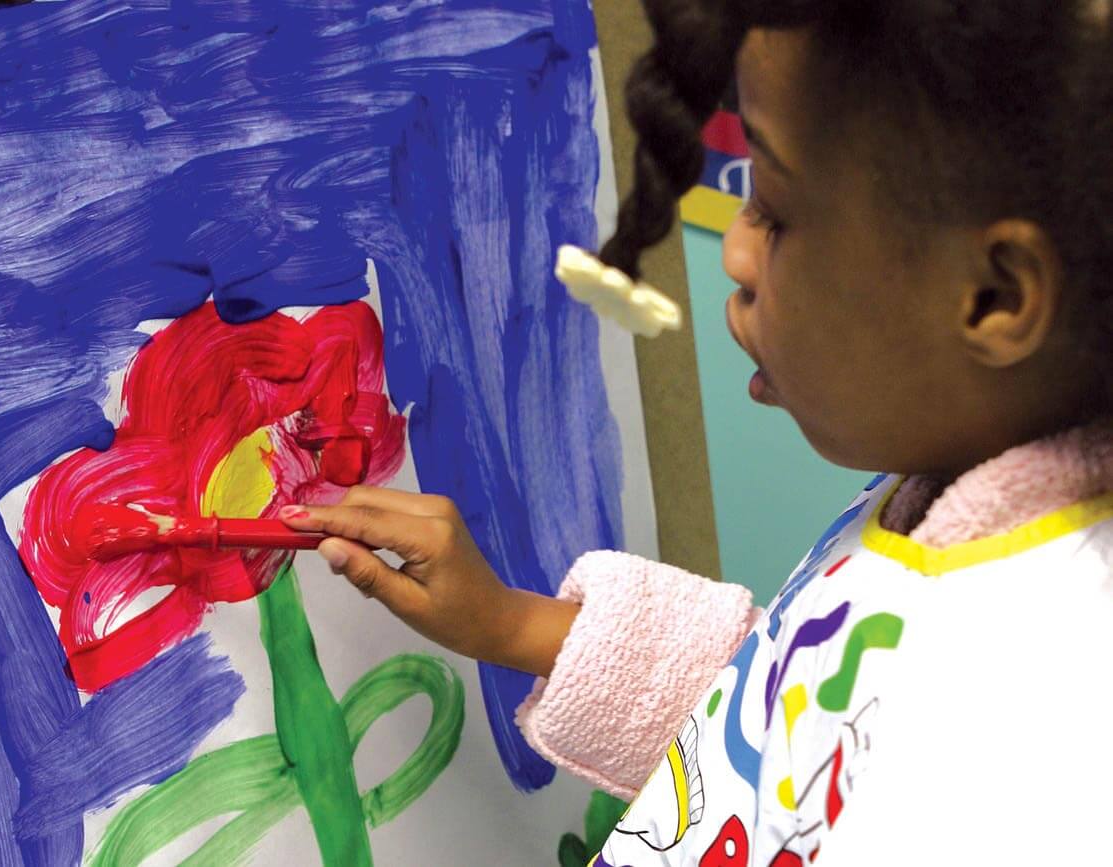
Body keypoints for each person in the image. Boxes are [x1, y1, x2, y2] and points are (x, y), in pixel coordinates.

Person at [281, 1, 1113, 863]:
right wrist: (507, 624)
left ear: (994, 297)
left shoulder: (1040, 735)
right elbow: (786, 717)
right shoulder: (945, 492)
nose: (736, 254)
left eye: (775, 211)